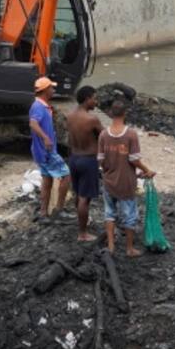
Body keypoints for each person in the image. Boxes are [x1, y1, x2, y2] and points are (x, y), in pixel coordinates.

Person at [97, 98, 155, 256]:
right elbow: (134, 160)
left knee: (109, 213)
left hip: (109, 181)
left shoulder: (103, 134)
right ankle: (129, 249)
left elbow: (101, 160)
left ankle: (111, 246)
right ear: (125, 113)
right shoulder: (131, 134)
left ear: (110, 113)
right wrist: (147, 170)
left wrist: (109, 170)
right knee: (129, 216)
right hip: (126, 183)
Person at [66, 85, 104, 242]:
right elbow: (104, 136)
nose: (96, 102)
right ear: (87, 99)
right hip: (88, 160)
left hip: (74, 158)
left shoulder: (70, 116)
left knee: (78, 193)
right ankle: (82, 233)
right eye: (94, 98)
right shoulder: (92, 119)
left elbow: (70, 139)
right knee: (85, 198)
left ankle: (82, 222)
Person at [29, 76, 70, 219]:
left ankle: (43, 213)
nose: (53, 90)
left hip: (41, 151)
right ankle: (59, 209)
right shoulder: (38, 107)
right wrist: (46, 138)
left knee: (47, 180)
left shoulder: (41, 105)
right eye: (51, 88)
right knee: (66, 175)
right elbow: (33, 123)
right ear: (45, 90)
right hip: (46, 151)